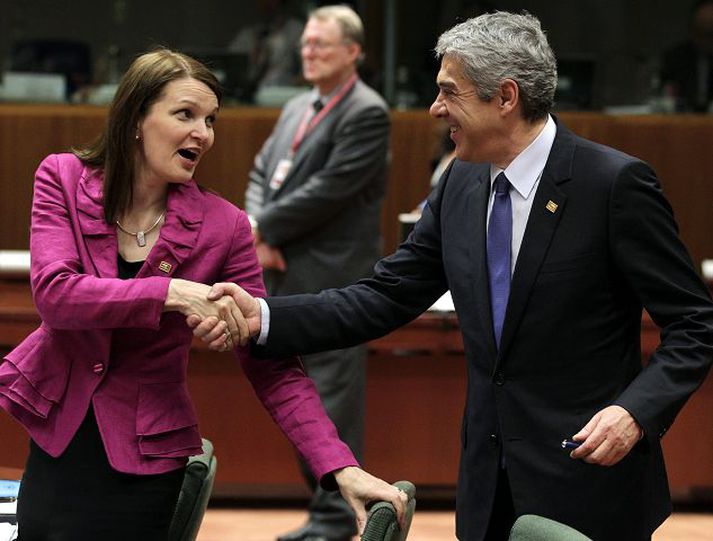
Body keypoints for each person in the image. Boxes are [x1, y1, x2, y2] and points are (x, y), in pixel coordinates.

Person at [194, 11, 713, 541]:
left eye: (450, 92)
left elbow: (696, 323)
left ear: (505, 97)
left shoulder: (612, 185)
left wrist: (634, 412)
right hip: (488, 491)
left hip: (590, 485)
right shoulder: (460, 184)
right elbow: (385, 295)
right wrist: (262, 316)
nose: (435, 108)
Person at [0, 48, 406, 541]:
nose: (203, 134)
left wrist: (340, 468)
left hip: (146, 458)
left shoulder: (225, 227)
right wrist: (172, 292)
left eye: (210, 119)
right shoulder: (62, 178)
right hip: (58, 443)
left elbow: (271, 363)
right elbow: (56, 297)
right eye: (185, 115)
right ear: (135, 118)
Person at [242, 5, 390, 541]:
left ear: (353, 52)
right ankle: (327, 513)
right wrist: (257, 229)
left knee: (330, 401)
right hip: (285, 269)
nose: (308, 53)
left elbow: (330, 190)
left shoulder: (366, 112)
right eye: (306, 43)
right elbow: (262, 171)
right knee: (300, 397)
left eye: (321, 45)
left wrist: (267, 232)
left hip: (334, 279)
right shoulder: (295, 108)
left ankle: (335, 518)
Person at [227, 0, 305, 101]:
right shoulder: (247, 34)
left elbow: (307, 69)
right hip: (248, 96)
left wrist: (295, 83)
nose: (267, 4)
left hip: (283, 93)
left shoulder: (295, 30)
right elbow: (229, 66)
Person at [660, 0, 713, 112]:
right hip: (683, 120)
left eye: (710, 34)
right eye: (700, 33)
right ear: (692, 30)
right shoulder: (674, 58)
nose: (705, 40)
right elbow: (663, 95)